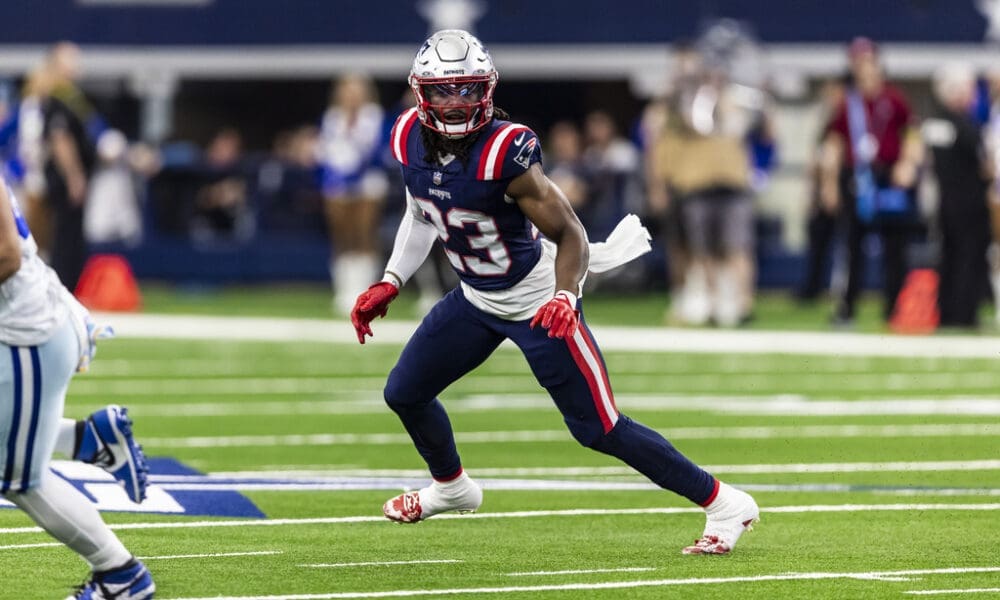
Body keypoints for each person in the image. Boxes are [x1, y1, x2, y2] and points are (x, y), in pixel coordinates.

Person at [351, 29, 759, 555]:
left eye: (468, 90)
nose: (456, 103)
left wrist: (565, 297)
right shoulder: (407, 134)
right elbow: (420, 214)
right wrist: (390, 279)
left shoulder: (506, 149)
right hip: (475, 298)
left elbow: (570, 233)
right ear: (420, 93)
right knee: (403, 392)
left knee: (600, 428)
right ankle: (452, 488)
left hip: (536, 300)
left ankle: (725, 502)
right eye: (444, 91)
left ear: (488, 90)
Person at [0, 178, 154, 597]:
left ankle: (120, 574)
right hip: (31, 316)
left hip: (22, 332)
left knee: (16, 478)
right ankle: (88, 439)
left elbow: (5, 256)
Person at [820, 37, 923, 326]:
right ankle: (846, 309)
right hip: (857, 178)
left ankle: (894, 309)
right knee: (852, 246)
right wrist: (828, 183)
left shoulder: (894, 99)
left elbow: (913, 134)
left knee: (895, 246)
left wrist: (908, 164)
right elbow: (834, 143)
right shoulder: (846, 102)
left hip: (888, 176)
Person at [923, 63, 995, 328]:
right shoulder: (965, 125)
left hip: (947, 202)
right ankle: (964, 314)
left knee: (950, 256)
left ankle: (947, 312)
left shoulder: (934, 122)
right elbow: (983, 162)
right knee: (967, 256)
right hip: (968, 202)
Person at [317, 74, 390, 315]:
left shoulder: (374, 116)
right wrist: (334, 176)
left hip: (368, 181)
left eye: (356, 91)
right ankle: (343, 289)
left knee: (363, 233)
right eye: (347, 91)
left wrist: (355, 174)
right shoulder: (332, 118)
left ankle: (365, 291)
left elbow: (377, 149)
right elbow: (326, 150)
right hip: (337, 182)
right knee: (342, 235)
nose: (352, 96)